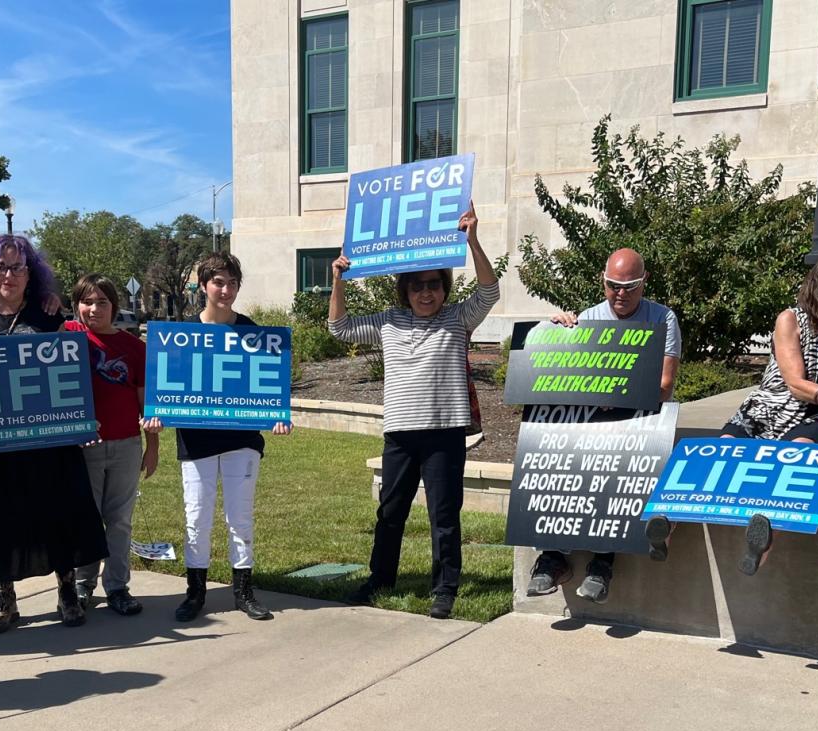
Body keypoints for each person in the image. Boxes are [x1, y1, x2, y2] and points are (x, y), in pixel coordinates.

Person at [328, 204, 499, 620]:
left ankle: (444, 589)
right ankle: (379, 579)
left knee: (444, 516)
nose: (427, 293)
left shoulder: (459, 318)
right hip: (401, 434)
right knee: (390, 513)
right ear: (404, 290)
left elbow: (490, 292)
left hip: (444, 434)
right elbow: (339, 328)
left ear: (444, 288)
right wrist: (337, 280)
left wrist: (472, 240)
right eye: (418, 286)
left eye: (435, 285)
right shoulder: (388, 321)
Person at [0, 235, 107, 632]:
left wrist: (80, 419)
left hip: (43, 441)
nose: (9, 275)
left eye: (18, 267)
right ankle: (3, 598)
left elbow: (72, 371)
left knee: (56, 511)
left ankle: (67, 591)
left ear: (31, 272)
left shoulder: (48, 313)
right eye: (1, 267)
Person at [526, 248, 682, 602]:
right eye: (613, 286)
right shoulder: (588, 318)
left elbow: (664, 386)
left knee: (615, 461)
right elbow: (566, 377)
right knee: (556, 453)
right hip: (595, 417)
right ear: (603, 280)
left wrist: (619, 392)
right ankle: (552, 557)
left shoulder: (662, 319)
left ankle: (602, 563)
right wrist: (551, 332)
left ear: (645, 282)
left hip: (642, 418)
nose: (620, 294)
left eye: (629, 286)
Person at [144, 252, 290, 623]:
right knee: (197, 517)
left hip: (242, 441)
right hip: (196, 443)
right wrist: (156, 416)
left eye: (232, 283)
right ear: (204, 286)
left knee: (240, 517)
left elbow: (268, 389)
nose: (226, 290)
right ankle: (196, 592)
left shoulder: (253, 332)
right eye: (218, 282)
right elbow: (164, 391)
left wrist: (276, 417)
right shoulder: (182, 335)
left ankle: (243, 591)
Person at [718, 252, 818, 575]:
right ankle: (668, 523)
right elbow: (794, 383)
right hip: (772, 405)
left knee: (798, 453)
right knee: (722, 448)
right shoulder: (790, 319)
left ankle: (762, 541)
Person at [63, 273, 158, 615]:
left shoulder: (134, 348)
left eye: (102, 302)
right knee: (85, 519)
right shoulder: (68, 338)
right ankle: (82, 585)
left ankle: (117, 586)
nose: (94, 309)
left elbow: (146, 403)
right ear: (76, 306)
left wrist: (153, 447)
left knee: (118, 520)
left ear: (114, 306)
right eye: (87, 301)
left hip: (125, 445)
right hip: (82, 447)